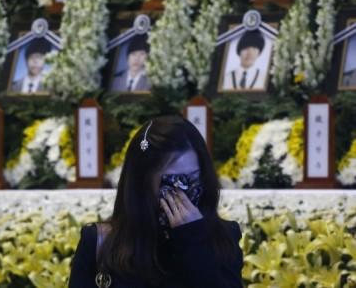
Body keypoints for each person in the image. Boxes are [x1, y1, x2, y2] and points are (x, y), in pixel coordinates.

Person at [68, 116, 243, 288]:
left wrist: (194, 239)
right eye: (173, 181)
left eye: (193, 178)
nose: (184, 192)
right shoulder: (102, 243)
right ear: (142, 183)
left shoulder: (224, 238)